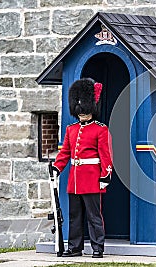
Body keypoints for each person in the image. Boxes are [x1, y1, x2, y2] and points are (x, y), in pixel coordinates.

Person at [52, 78, 112, 258]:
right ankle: (75, 247)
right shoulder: (71, 129)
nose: (82, 113)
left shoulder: (100, 129)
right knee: (74, 217)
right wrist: (57, 168)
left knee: (94, 217)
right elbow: (65, 154)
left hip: (93, 179)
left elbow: (105, 156)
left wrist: (105, 177)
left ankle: (97, 247)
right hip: (75, 180)